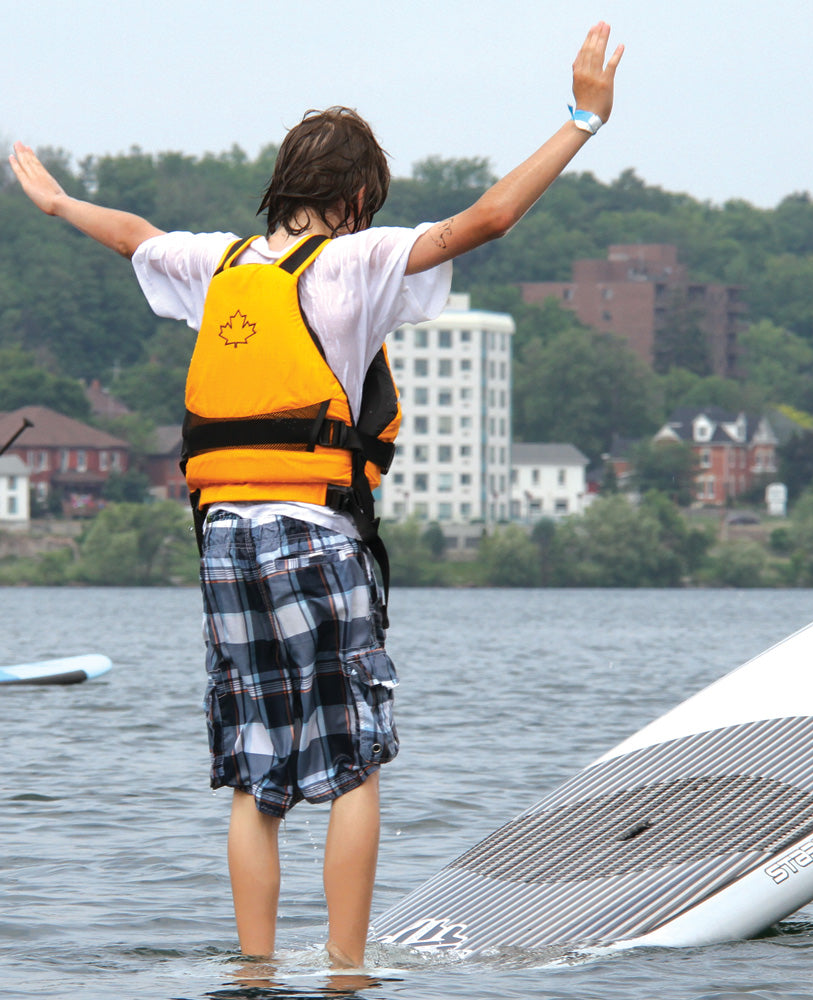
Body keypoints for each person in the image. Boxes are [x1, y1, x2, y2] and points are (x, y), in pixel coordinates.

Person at [9, 21, 623, 967]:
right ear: (351, 199)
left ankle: (254, 971)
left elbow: (133, 234)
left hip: (223, 544)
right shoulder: (351, 263)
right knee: (352, 765)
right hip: (310, 535)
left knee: (257, 778)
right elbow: (486, 222)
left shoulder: (218, 265)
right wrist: (581, 119)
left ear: (283, 191)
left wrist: (52, 204)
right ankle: (346, 972)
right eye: (368, 207)